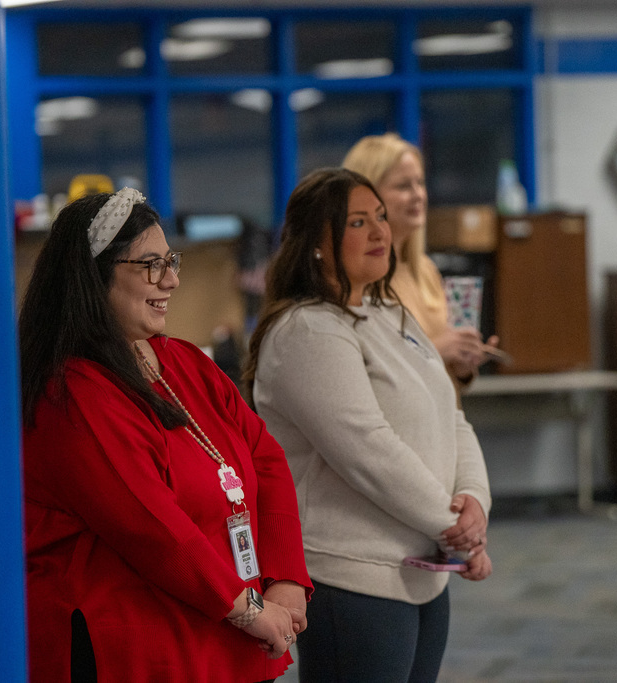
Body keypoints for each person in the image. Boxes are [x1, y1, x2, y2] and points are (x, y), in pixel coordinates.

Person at [19, 188, 311, 683]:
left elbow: (266, 459)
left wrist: (284, 581)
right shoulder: (71, 392)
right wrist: (249, 608)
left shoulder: (184, 361)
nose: (172, 279)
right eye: (150, 265)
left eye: (170, 261)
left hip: (226, 629)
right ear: (94, 277)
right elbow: (152, 528)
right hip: (136, 650)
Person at [245, 168, 493, 683]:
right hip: (351, 578)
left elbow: (450, 414)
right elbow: (368, 450)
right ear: (317, 243)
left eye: (380, 216)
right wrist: (453, 524)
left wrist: (474, 500)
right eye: (358, 222)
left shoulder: (388, 312)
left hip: (423, 569)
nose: (381, 232)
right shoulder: (307, 329)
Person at [343, 133, 499, 388]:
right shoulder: (358, 280)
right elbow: (364, 377)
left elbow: (442, 386)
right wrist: (437, 350)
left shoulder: (425, 270)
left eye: (420, 183)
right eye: (404, 186)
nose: (418, 195)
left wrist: (462, 366)